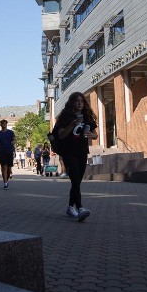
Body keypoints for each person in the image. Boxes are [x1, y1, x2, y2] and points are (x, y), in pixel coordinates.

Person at [52, 92, 96, 221]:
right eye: (77, 101)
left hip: (82, 151)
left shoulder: (87, 116)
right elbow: (60, 135)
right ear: (72, 102)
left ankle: (70, 207)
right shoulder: (65, 117)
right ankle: (80, 208)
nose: (80, 103)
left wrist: (91, 135)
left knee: (77, 181)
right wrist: (73, 124)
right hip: (68, 151)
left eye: (82, 101)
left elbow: (95, 134)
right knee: (75, 180)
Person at [0, 119, 16, 189]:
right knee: (4, 167)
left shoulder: (11, 132)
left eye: (5, 123)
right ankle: (5, 183)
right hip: (2, 152)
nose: (4, 125)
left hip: (9, 152)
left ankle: (6, 180)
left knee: (9, 169)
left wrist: (14, 142)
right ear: (0, 125)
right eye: (2, 124)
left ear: (7, 124)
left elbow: (15, 139)